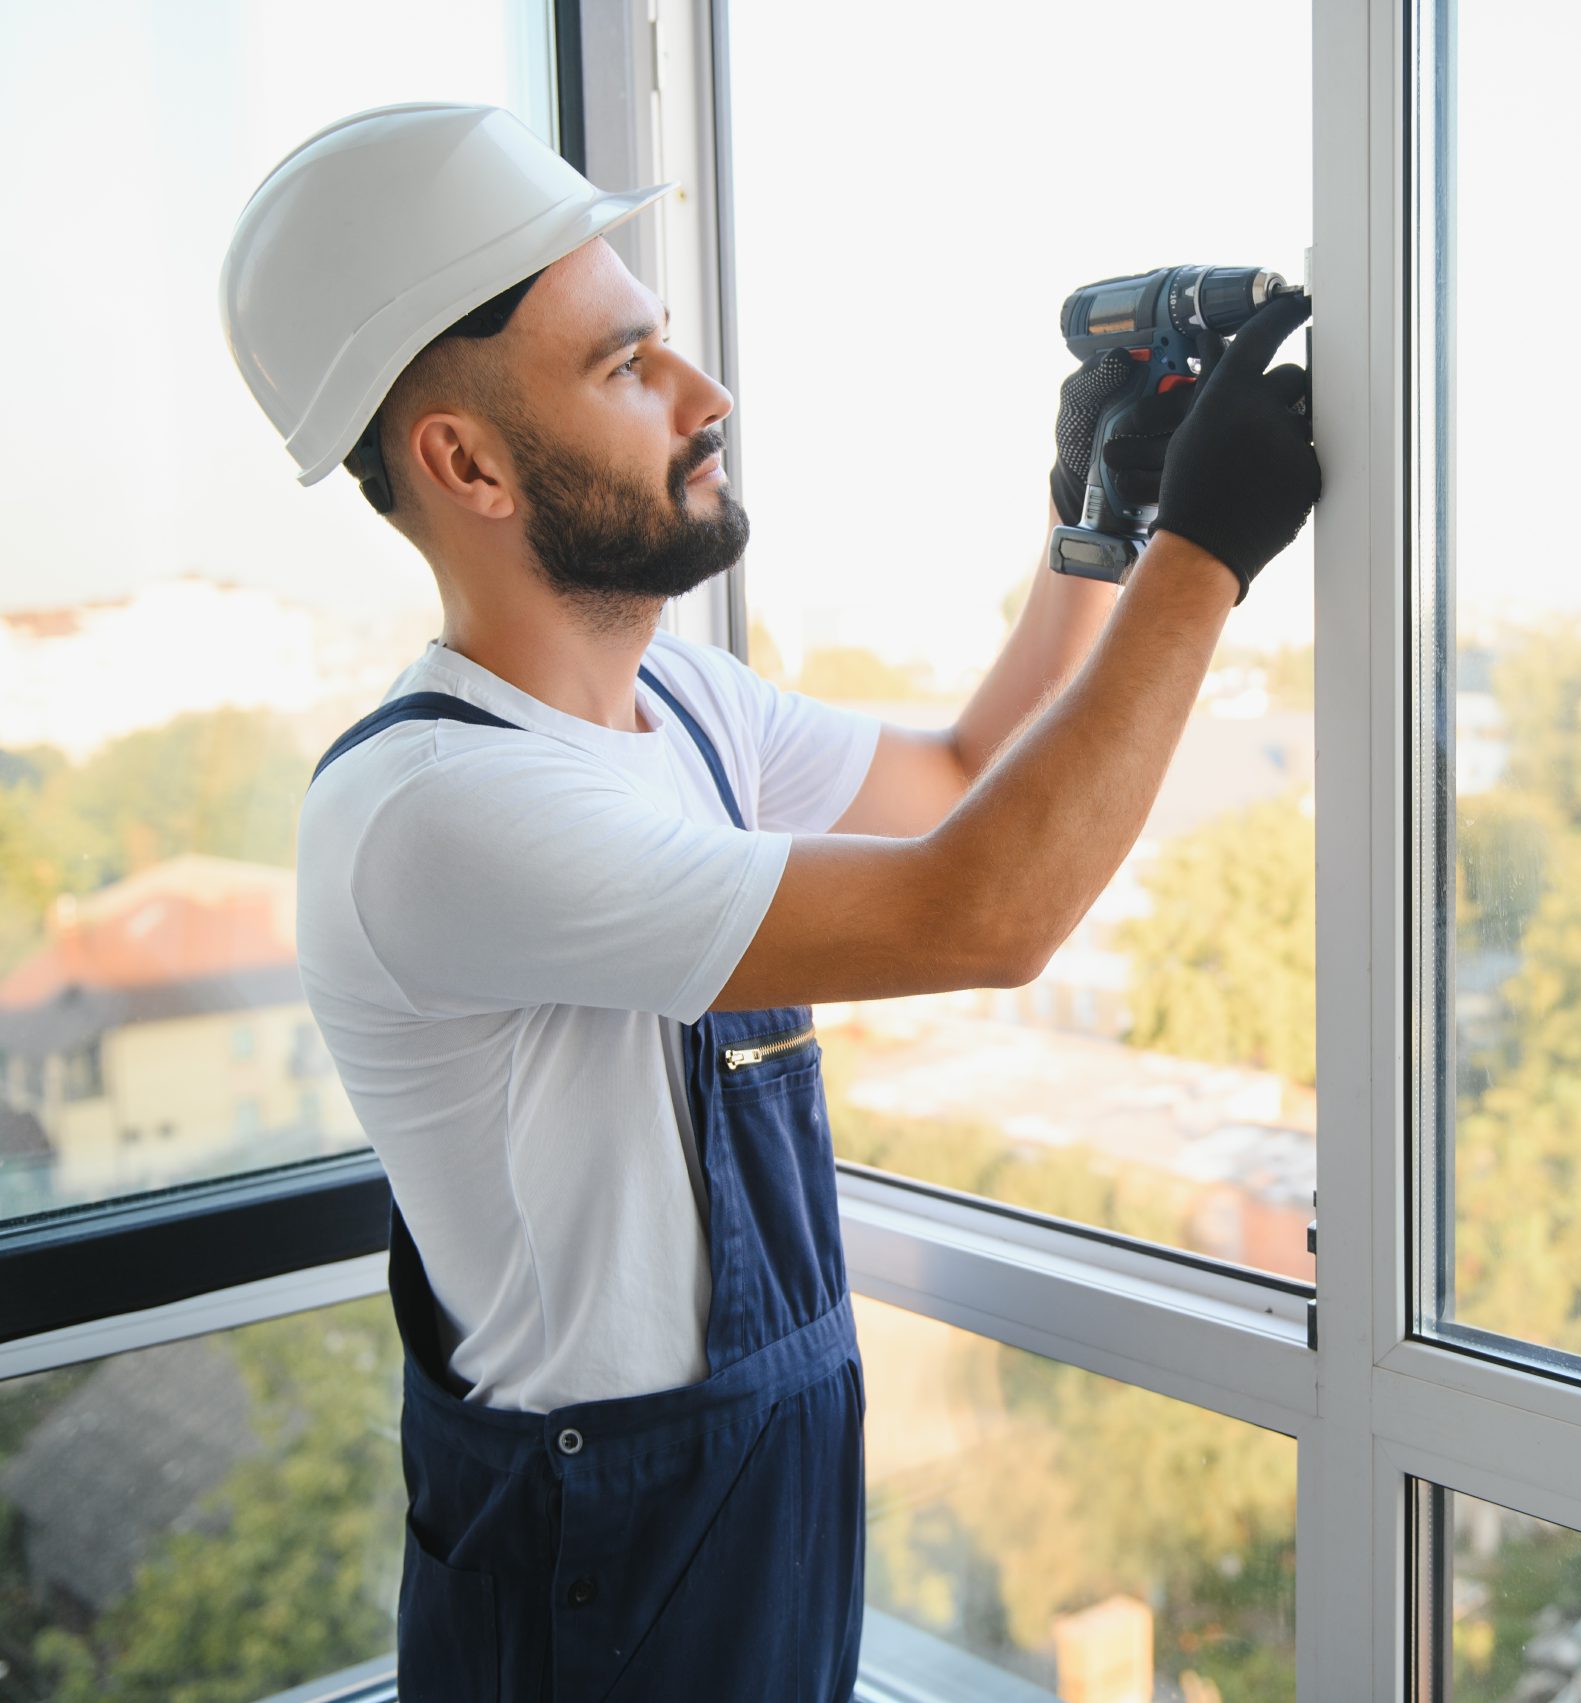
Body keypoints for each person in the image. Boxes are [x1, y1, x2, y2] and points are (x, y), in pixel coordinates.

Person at [220, 102, 1317, 1702]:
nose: (705, 394)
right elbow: (985, 913)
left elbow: (960, 781)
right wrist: (1202, 558)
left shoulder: (683, 701)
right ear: (463, 461)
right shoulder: (436, 812)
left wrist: (1099, 530)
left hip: (757, 1491)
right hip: (601, 1571)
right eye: (625, 366)